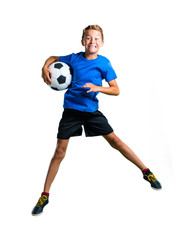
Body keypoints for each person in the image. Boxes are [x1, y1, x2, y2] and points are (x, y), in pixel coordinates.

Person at [32, 25, 162, 216]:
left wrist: (97, 87)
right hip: (71, 111)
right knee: (59, 151)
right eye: (88, 38)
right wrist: (45, 67)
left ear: (102, 43)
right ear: (82, 41)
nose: (92, 41)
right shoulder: (74, 58)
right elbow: (53, 58)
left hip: (92, 112)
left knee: (116, 141)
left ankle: (146, 172)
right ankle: (45, 195)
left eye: (96, 38)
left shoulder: (104, 63)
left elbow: (116, 89)